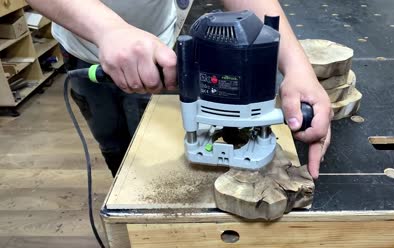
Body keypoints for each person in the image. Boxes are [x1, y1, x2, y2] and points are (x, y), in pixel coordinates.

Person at [27, 0, 332, 178]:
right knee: (112, 140)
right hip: (81, 43)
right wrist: (108, 30)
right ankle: (122, 181)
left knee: (152, 136)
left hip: (158, 46)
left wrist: (298, 68)